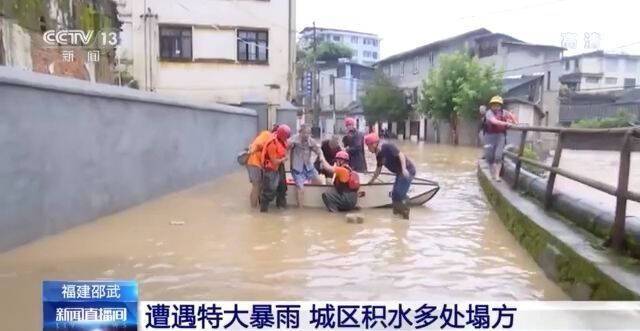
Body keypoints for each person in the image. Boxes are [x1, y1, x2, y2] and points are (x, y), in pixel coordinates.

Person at [364, 133, 415, 219]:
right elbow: (378, 170)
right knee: (394, 195)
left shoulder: (387, 146)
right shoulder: (379, 155)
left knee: (399, 193)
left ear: (374, 144)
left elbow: (400, 155)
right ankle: (397, 216)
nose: (368, 149)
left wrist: (403, 169)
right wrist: (371, 181)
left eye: (368, 146)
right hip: (399, 173)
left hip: (407, 171)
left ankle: (405, 214)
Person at [289, 124, 326, 208]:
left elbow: (319, 150)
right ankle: (300, 209)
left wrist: (321, 157)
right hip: (297, 169)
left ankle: (315, 202)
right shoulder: (294, 140)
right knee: (301, 189)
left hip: (308, 167)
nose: (306, 135)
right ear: (300, 132)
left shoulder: (311, 141)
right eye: (305, 133)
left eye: (308, 133)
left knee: (320, 182)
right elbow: (285, 147)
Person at [484, 95, 517, 182]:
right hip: (489, 136)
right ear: (491, 105)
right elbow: (493, 121)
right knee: (489, 157)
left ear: (500, 105)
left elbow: (515, 121)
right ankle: (493, 175)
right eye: (494, 104)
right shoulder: (489, 113)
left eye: (498, 104)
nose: (496, 106)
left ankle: (497, 176)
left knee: (498, 156)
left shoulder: (505, 112)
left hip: (500, 136)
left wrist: (511, 120)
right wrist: (506, 123)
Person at [260, 124, 291, 212]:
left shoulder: (282, 140)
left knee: (282, 187)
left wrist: (284, 157)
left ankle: (281, 207)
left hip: (280, 165)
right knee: (270, 190)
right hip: (271, 168)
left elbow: (284, 150)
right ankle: (264, 210)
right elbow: (274, 161)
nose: (287, 139)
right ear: (282, 135)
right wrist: (284, 159)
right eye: (286, 137)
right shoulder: (272, 143)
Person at [246, 129, 273, 208]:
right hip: (254, 163)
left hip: (256, 163)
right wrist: (253, 149)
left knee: (259, 185)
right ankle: (253, 209)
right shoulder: (267, 135)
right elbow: (257, 144)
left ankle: (256, 206)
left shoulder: (266, 135)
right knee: (256, 186)